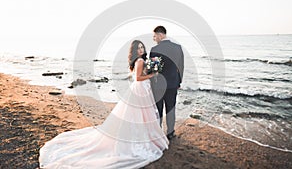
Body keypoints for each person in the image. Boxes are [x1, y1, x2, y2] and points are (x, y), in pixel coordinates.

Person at [39, 40, 168, 168]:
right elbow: (139, 78)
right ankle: (142, 138)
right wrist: (152, 75)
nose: (141, 50)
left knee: (139, 114)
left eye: (142, 47)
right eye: (138, 48)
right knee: (140, 114)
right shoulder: (140, 61)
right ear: (134, 51)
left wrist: (151, 71)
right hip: (140, 89)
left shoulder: (138, 61)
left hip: (141, 89)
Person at [150, 26, 184, 140]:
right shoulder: (178, 48)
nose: (154, 39)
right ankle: (170, 133)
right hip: (173, 84)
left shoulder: (154, 49)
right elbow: (181, 67)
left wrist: (151, 85)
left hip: (158, 86)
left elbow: (153, 70)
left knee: (158, 109)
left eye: (155, 36)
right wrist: (179, 82)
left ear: (160, 35)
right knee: (171, 109)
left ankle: (158, 133)